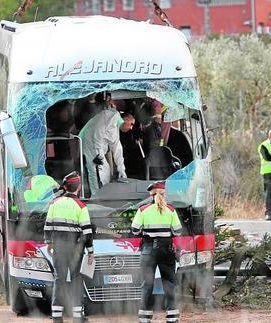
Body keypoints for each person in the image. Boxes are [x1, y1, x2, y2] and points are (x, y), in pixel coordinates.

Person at [44, 171, 93, 323]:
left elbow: (48, 226)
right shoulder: (81, 206)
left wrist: (49, 243)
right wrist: (90, 251)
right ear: (78, 188)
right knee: (76, 279)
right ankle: (78, 316)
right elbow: (87, 231)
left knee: (59, 279)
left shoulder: (54, 203)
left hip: (59, 247)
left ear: (65, 187)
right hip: (75, 248)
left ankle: (57, 317)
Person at [131, 181, 182, 323]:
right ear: (164, 194)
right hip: (166, 251)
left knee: (147, 284)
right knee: (169, 283)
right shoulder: (171, 210)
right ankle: (172, 317)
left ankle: (145, 318)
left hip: (148, 251)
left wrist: (146, 232)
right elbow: (177, 231)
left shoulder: (142, 210)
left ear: (150, 194)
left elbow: (135, 230)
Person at [79, 100, 134, 195]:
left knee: (104, 171)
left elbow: (117, 148)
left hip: (95, 145)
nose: (131, 128)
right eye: (131, 124)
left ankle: (101, 194)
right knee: (97, 171)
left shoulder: (115, 125)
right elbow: (97, 132)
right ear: (125, 120)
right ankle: (96, 196)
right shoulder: (111, 116)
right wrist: (97, 154)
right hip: (89, 144)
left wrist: (122, 170)